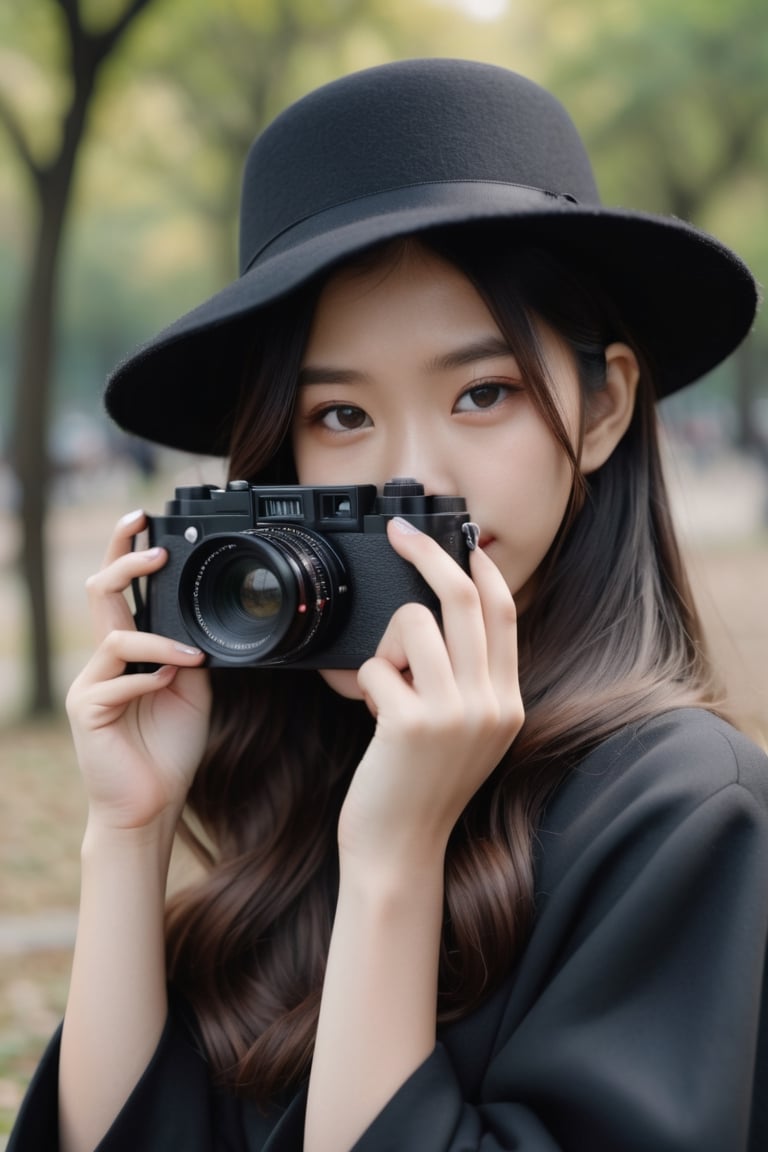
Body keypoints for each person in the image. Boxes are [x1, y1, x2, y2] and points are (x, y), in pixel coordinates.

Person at [8, 58, 767, 1152]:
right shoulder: (312, 752)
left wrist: (398, 858)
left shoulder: (683, 809)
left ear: (602, 409)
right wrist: (129, 834)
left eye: (483, 392)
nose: (418, 475)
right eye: (342, 415)